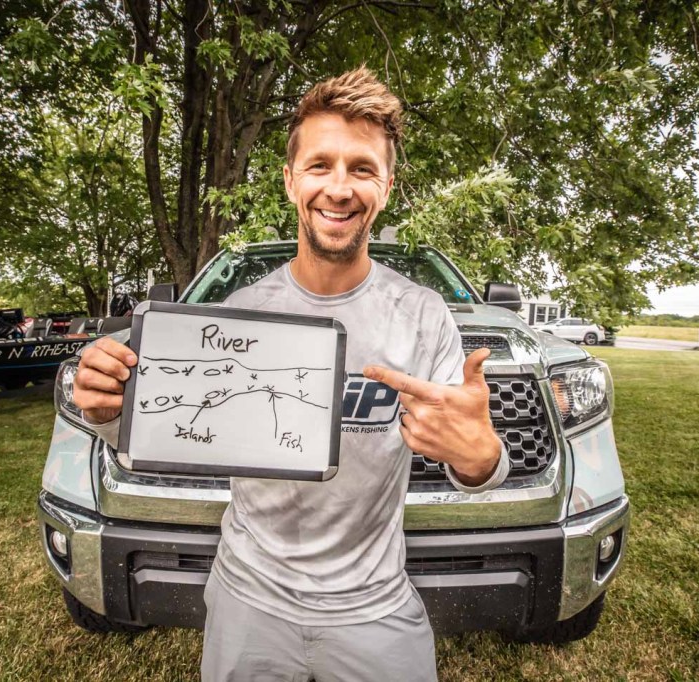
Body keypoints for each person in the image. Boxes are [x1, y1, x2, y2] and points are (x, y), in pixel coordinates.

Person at [73, 67, 509, 682]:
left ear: (386, 187)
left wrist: (481, 456)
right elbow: (165, 431)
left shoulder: (423, 314)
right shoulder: (238, 313)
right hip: (247, 596)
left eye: (362, 168)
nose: (340, 188)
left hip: (374, 602)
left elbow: (473, 463)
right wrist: (107, 412)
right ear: (290, 180)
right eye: (319, 165)